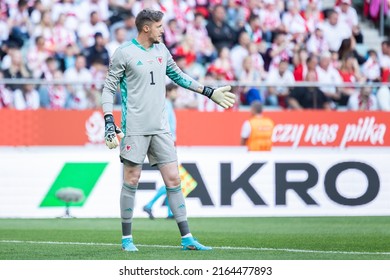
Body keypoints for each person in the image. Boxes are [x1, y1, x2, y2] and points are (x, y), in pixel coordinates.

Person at [101, 9, 235, 252]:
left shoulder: (162, 50)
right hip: (135, 129)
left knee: (174, 179)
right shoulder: (124, 53)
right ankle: (127, 240)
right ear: (146, 28)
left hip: (161, 129)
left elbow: (180, 77)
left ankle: (187, 238)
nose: (163, 30)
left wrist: (209, 91)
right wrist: (109, 120)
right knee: (132, 179)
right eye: (159, 26)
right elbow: (109, 88)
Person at [143, 83, 178, 219]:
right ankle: (150, 205)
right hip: (167, 144)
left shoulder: (167, 104)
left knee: (171, 179)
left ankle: (169, 211)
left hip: (168, 143)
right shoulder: (166, 105)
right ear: (169, 92)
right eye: (175, 91)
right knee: (172, 179)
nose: (177, 94)